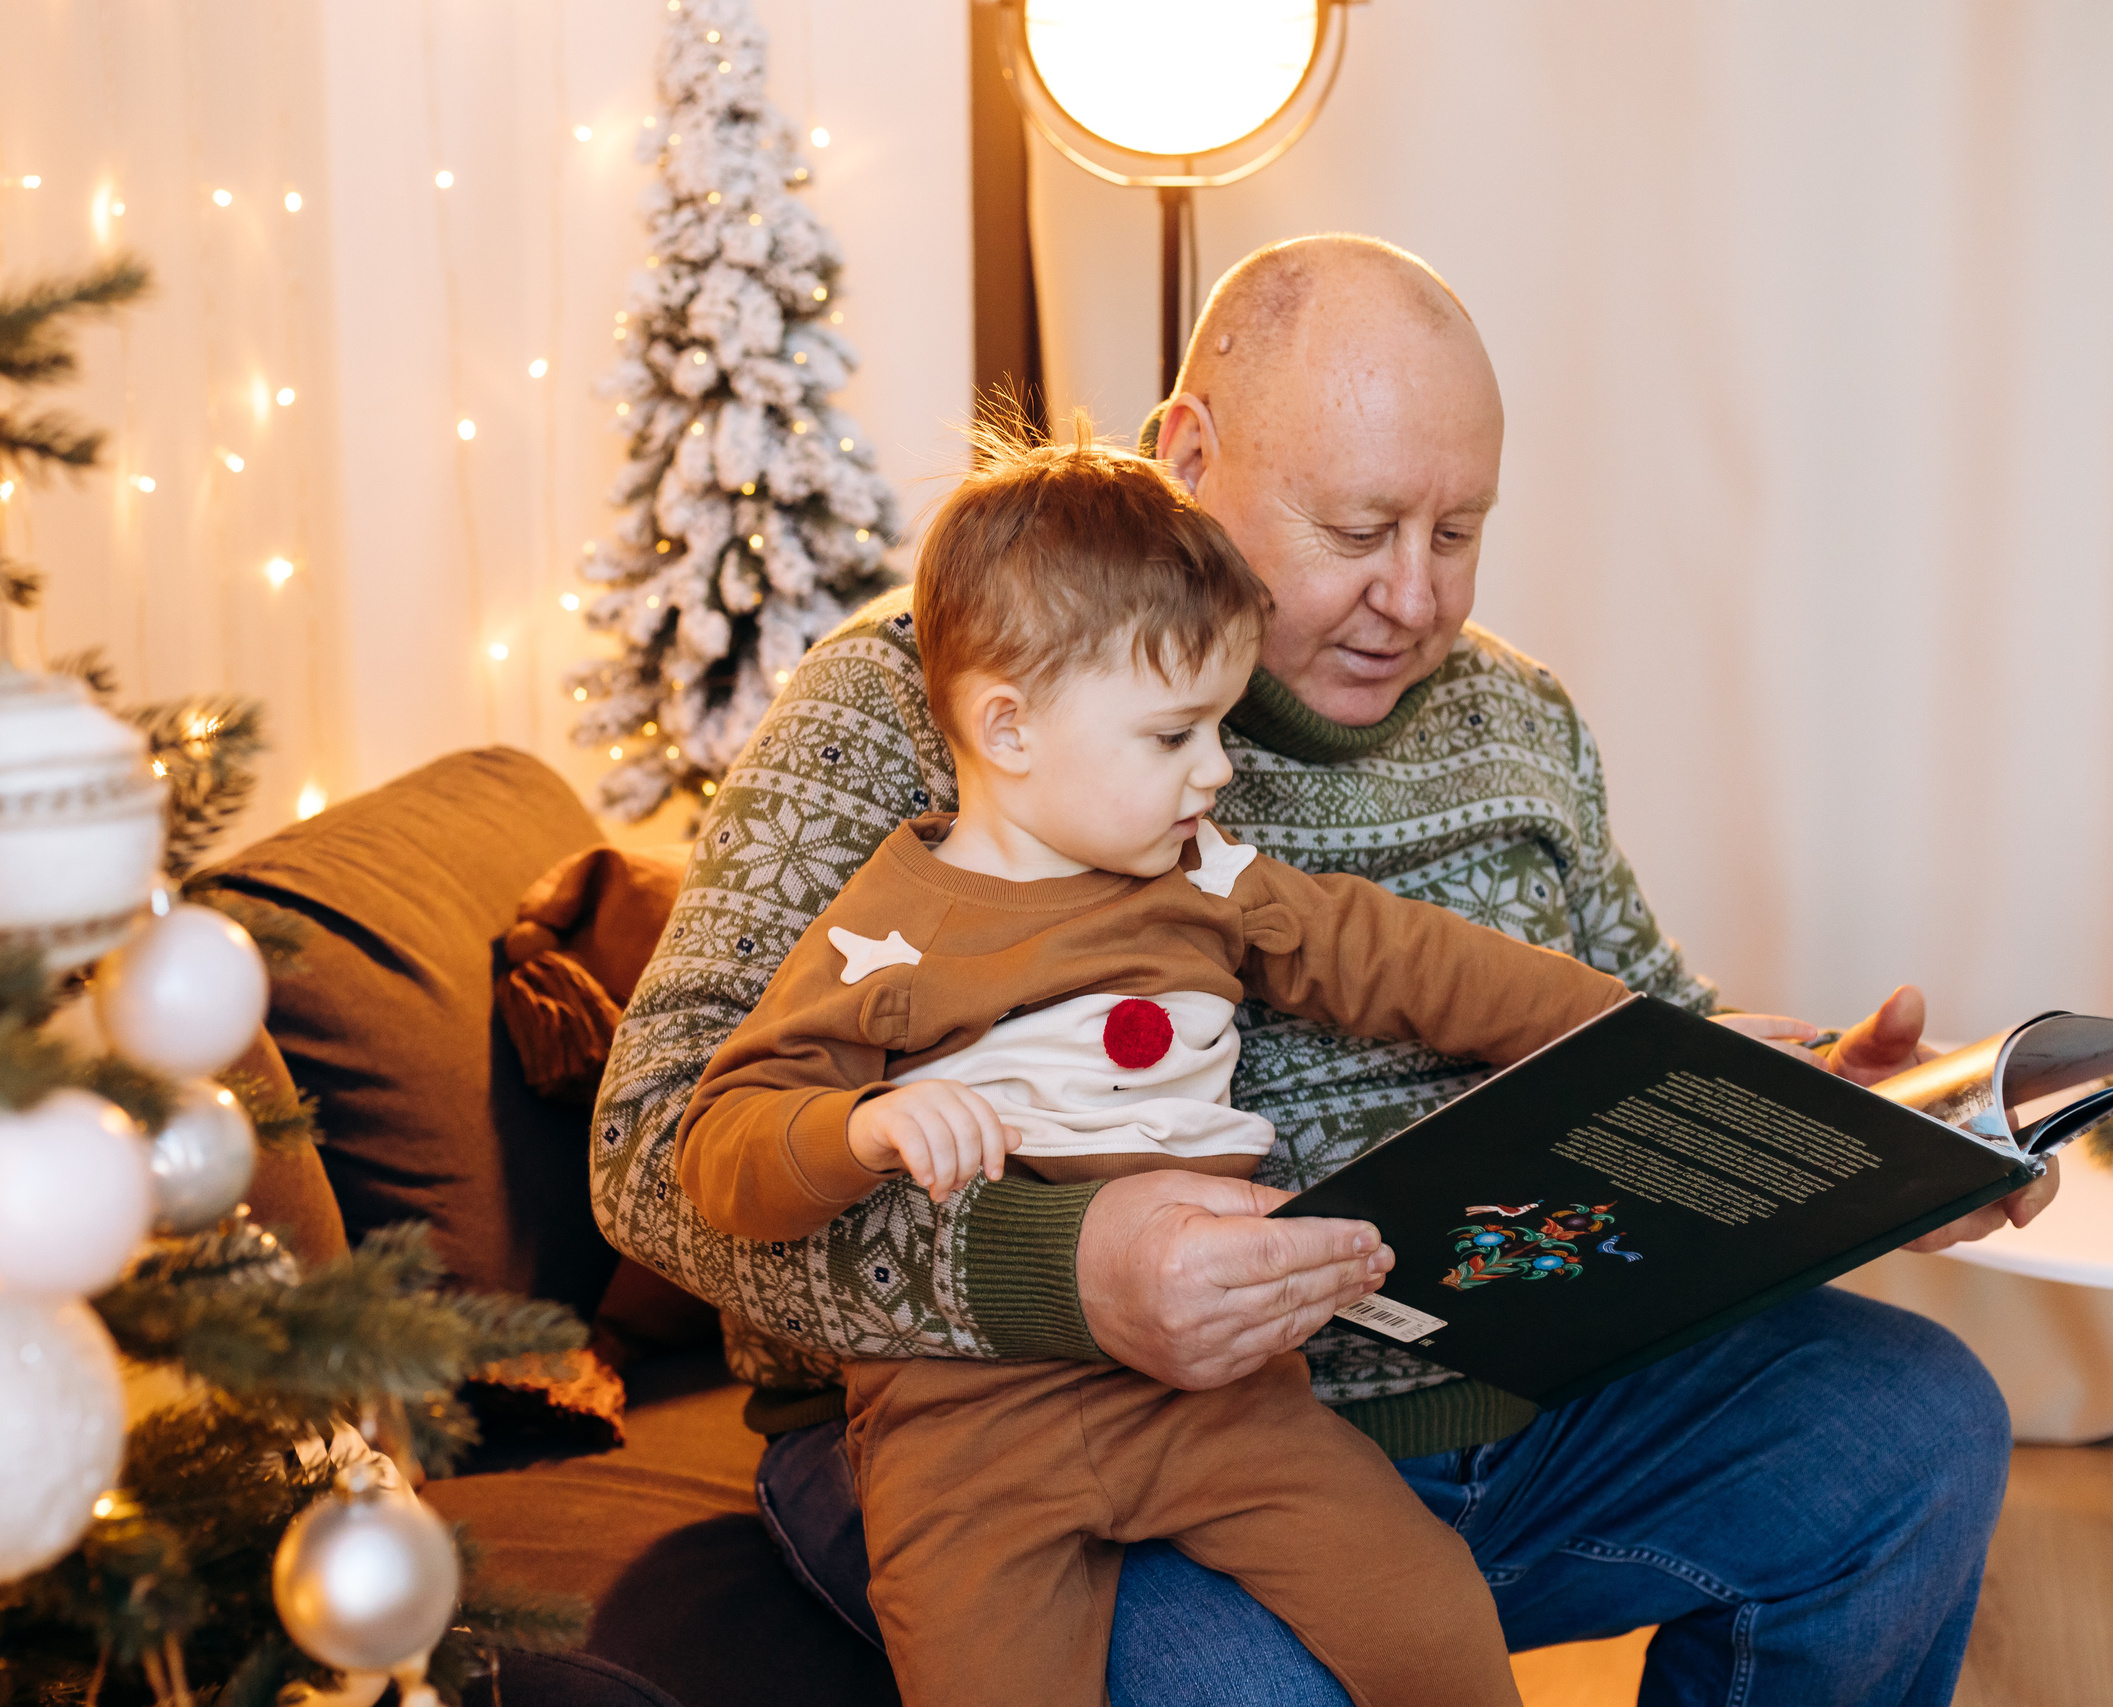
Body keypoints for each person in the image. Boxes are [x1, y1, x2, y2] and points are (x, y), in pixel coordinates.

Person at [590, 235, 2058, 1705]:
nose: (1414, 597)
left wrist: (1830, 1134)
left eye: (1458, 531)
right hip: (996, 1439)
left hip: (1477, 1412)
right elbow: (651, 1154)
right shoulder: (927, 698)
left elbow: (1636, 1024)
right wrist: (1066, 1274)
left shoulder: (1512, 714)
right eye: (1359, 529)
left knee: (1912, 1423)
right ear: (1187, 457)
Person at [676, 431, 1639, 1707]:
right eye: (1175, 732)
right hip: (966, 1435)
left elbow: (1417, 962)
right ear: (1008, 727)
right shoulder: (886, 935)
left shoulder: (1205, 878)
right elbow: (718, 1144)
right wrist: (859, 1127)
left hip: (1220, 1403)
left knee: (1427, 1609)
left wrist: (1636, 1036)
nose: (1218, 769)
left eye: (1220, 726)